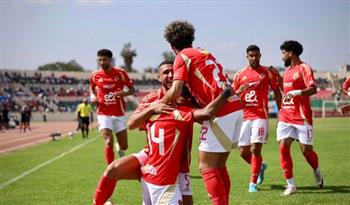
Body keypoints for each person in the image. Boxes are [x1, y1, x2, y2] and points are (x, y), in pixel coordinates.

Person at [93, 60, 201, 205]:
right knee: (113, 169)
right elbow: (131, 124)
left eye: (173, 72)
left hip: (179, 164)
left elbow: (206, 115)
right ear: (158, 77)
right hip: (151, 155)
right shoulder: (151, 99)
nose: (170, 75)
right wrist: (151, 108)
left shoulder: (187, 97)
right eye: (166, 72)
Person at [163, 20, 244, 204]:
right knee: (219, 165)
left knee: (206, 166)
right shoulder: (203, 52)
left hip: (220, 111)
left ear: (172, 45)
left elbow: (175, 90)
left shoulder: (182, 56)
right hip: (235, 106)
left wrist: (157, 104)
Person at [232, 45, 282, 192]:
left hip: (260, 115)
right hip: (244, 116)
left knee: (255, 149)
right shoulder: (239, 75)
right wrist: (237, 92)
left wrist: (281, 113)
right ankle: (260, 167)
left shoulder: (267, 72)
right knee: (242, 152)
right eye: (251, 56)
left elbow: (277, 93)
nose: (254, 58)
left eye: (256, 55)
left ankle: (252, 183)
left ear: (260, 55)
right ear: (247, 57)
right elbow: (233, 97)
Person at [277, 40, 323, 196]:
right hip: (286, 116)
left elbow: (313, 88)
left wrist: (299, 92)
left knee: (306, 151)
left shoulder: (304, 68)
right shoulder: (287, 72)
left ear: (290, 53)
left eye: (283, 53)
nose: (282, 56)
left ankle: (316, 169)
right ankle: (291, 185)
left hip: (302, 117)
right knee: (283, 147)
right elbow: (285, 95)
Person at [90, 49, 135, 164]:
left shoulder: (120, 73)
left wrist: (123, 93)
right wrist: (92, 96)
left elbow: (132, 89)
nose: (102, 62)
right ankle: (110, 168)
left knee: (124, 146)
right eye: (99, 60)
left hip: (119, 113)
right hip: (103, 113)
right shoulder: (95, 75)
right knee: (108, 141)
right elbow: (91, 88)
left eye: (104, 59)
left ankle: (119, 147)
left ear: (110, 60)